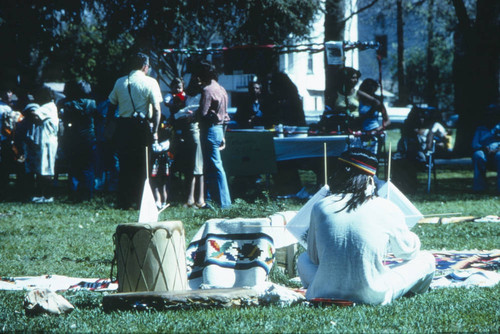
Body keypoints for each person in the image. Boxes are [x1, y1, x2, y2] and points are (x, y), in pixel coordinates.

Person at [297, 148, 435, 305]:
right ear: (371, 180)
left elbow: (314, 258)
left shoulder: (320, 206)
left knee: (303, 259)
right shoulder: (385, 206)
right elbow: (407, 252)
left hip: (323, 290)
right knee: (426, 259)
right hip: (373, 294)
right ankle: (413, 292)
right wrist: (413, 238)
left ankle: (326, 290)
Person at [108, 52, 162, 209]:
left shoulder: (120, 82)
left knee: (125, 165)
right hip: (142, 127)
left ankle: (124, 200)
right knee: (143, 164)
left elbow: (111, 106)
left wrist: (111, 125)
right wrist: (155, 130)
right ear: (145, 66)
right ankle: (141, 200)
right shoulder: (150, 82)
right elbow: (157, 110)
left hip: (124, 126)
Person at [195, 61, 231, 209]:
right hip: (219, 129)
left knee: (214, 166)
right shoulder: (222, 89)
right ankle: (214, 201)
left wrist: (192, 115)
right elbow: (225, 115)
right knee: (215, 166)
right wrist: (223, 135)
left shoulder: (207, 90)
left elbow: (203, 113)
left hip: (209, 130)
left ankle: (223, 203)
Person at [165, 77, 205, 208]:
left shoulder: (200, 96)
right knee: (190, 167)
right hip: (185, 131)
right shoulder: (186, 97)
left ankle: (199, 199)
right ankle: (190, 198)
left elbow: (194, 109)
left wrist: (177, 115)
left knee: (197, 166)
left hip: (194, 130)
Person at [61, 80, 98, 202]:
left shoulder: (68, 105)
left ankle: (73, 194)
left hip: (73, 138)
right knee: (88, 168)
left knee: (74, 167)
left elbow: (66, 122)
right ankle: (87, 195)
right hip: (89, 138)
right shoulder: (93, 104)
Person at [23, 86, 59, 203]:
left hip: (47, 142)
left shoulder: (48, 107)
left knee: (46, 169)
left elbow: (34, 115)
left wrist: (28, 106)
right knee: (41, 169)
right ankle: (41, 194)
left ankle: (48, 195)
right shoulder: (48, 106)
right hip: (44, 141)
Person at [319, 67, 361, 133]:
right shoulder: (335, 94)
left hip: (356, 126)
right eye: (353, 78)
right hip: (340, 127)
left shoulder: (358, 93)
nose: (355, 80)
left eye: (356, 78)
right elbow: (328, 111)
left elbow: (376, 102)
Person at [471, 104, 500, 193]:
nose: (491, 117)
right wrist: (484, 148)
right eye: (489, 114)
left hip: (497, 151)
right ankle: (480, 187)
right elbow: (475, 144)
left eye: (494, 114)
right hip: (485, 152)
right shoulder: (480, 129)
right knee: (478, 155)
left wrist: (497, 150)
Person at [357, 78, 391, 154]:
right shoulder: (360, 99)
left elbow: (388, 121)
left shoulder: (378, 102)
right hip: (362, 132)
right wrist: (373, 100)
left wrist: (378, 129)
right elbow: (359, 92)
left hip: (374, 131)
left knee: (373, 155)